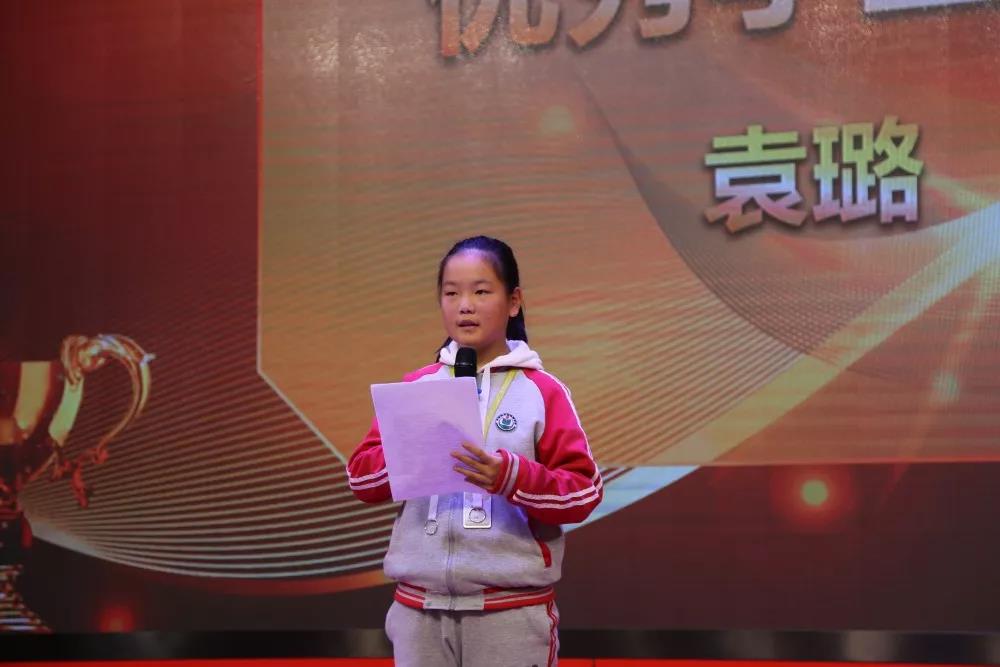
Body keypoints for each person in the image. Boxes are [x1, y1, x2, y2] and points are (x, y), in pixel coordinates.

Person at [348, 235, 603, 667]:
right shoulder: (417, 387)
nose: (464, 305)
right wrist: (410, 451)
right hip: (419, 611)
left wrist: (509, 477)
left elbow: (582, 492)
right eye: (451, 293)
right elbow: (361, 479)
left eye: (481, 291)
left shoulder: (542, 391)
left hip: (509, 613)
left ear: (513, 301)